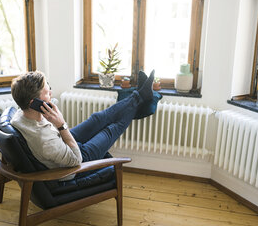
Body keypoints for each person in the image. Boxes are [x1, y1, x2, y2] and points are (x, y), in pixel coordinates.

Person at [10, 70, 155, 180]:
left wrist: (54, 122)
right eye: (47, 93)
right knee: (110, 130)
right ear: (33, 103)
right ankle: (141, 96)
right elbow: (76, 160)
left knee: (97, 119)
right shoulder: (43, 140)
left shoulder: (20, 116)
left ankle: (140, 95)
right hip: (74, 163)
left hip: (61, 144)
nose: (52, 94)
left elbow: (49, 135)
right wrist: (61, 125)